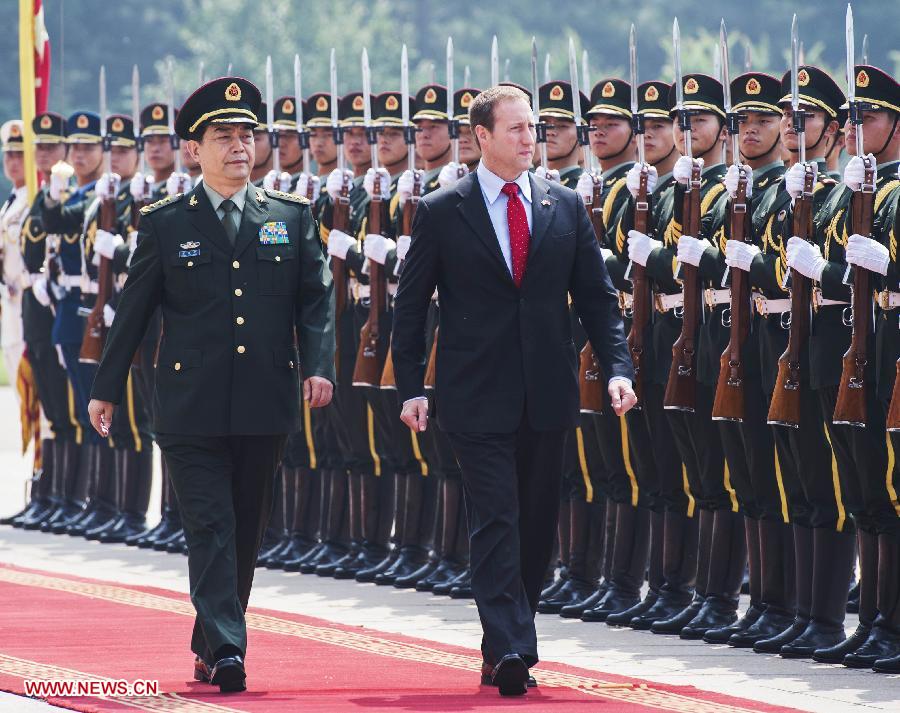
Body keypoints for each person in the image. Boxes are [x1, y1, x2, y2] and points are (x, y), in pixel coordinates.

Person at [87, 76, 335, 693]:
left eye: (246, 136)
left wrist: (320, 365)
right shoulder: (167, 222)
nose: (238, 147)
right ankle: (228, 646)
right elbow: (135, 309)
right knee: (210, 524)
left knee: (246, 527)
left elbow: (316, 300)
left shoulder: (290, 216)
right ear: (194, 150)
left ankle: (212, 636)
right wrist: (106, 387)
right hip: (189, 405)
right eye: (222, 137)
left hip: (262, 398)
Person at [391, 84, 634, 696]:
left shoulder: (564, 206)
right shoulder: (445, 209)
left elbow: (598, 300)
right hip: (474, 396)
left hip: (547, 393)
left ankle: (506, 629)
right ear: (483, 138)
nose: (533, 138)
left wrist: (618, 368)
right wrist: (413, 386)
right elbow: (412, 305)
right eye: (519, 129)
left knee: (534, 525)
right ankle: (511, 647)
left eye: (535, 128)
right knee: (494, 518)